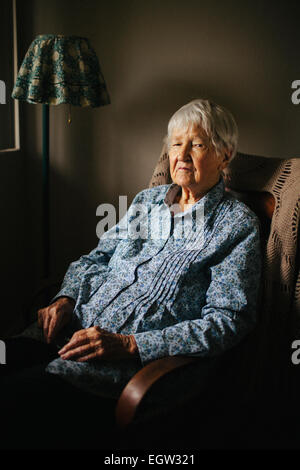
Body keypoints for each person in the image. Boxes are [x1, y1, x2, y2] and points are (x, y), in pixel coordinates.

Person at [0, 99, 262, 449]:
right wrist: (66, 296)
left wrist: (131, 344)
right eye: (176, 143)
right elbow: (96, 258)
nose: (182, 155)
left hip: (111, 368)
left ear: (225, 155)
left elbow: (229, 320)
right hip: (59, 332)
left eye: (197, 145)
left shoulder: (236, 225)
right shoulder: (147, 202)